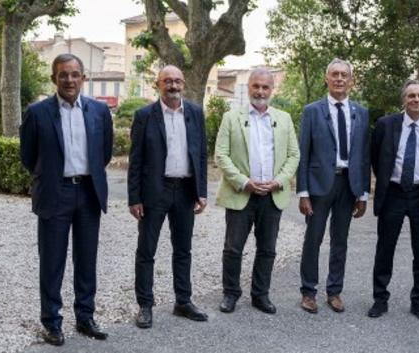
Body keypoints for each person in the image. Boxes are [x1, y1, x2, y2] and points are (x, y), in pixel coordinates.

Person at [20, 54, 113, 345]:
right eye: (63, 75)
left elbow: (105, 153)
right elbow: (28, 156)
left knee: (87, 259)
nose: (69, 80)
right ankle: (52, 322)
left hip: (88, 192)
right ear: (54, 79)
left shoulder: (99, 111)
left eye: (74, 74)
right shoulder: (37, 113)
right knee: (52, 261)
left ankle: (85, 317)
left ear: (83, 77)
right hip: (54, 193)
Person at [128, 65, 208, 329]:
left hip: (185, 190)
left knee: (183, 249)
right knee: (146, 250)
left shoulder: (195, 113)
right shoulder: (144, 116)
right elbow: (136, 160)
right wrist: (134, 197)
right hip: (155, 190)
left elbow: (200, 155)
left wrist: (202, 192)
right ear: (157, 84)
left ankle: (183, 301)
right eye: (167, 81)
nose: (173, 86)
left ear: (183, 84)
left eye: (177, 81)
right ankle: (145, 305)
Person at [215, 68, 300, 314]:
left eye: (265, 87)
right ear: (249, 88)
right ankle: (230, 294)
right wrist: (244, 182)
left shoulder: (283, 118)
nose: (260, 91)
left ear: (272, 90)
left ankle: (260, 295)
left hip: (272, 195)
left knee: (267, 249)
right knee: (233, 249)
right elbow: (221, 155)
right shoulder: (231, 117)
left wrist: (279, 181)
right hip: (241, 193)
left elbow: (294, 155)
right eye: (256, 86)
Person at [368, 80, 419, 321]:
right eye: (411, 95)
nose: (416, 100)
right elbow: (375, 157)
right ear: (403, 99)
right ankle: (380, 300)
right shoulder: (386, 124)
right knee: (385, 248)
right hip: (393, 193)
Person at [296, 58, 370, 314]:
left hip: (349, 186)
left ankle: (334, 291)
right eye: (334, 74)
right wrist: (303, 192)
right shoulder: (312, 111)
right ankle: (308, 292)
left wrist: (363, 194)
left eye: (344, 75)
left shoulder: (361, 113)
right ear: (326, 79)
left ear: (351, 81)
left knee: (340, 240)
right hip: (318, 186)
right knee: (313, 239)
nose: (339, 79)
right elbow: (303, 153)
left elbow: (363, 155)